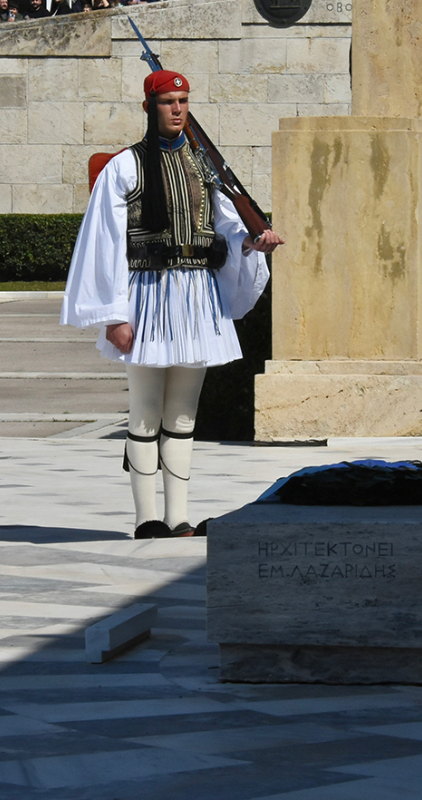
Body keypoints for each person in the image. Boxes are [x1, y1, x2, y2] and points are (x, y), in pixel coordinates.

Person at [61, 70, 284, 539]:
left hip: (196, 297)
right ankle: (146, 519)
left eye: (183, 100)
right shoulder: (125, 167)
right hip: (146, 293)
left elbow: (226, 227)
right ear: (150, 107)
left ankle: (178, 516)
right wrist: (114, 314)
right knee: (145, 411)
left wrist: (252, 241)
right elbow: (105, 243)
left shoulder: (204, 168)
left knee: (183, 414)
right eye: (168, 101)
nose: (178, 109)